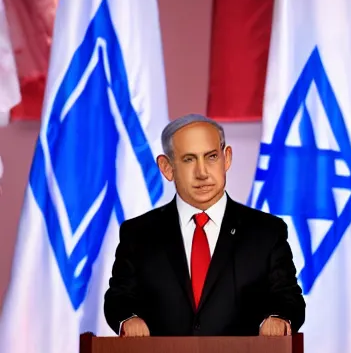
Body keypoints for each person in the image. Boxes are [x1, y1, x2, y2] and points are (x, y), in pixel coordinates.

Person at [104, 114, 305, 337]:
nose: (202, 173)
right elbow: (119, 297)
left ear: (226, 158)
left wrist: (278, 317)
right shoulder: (139, 234)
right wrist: (129, 319)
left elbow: (289, 298)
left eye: (211, 157)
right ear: (167, 167)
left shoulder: (266, 232)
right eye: (189, 159)